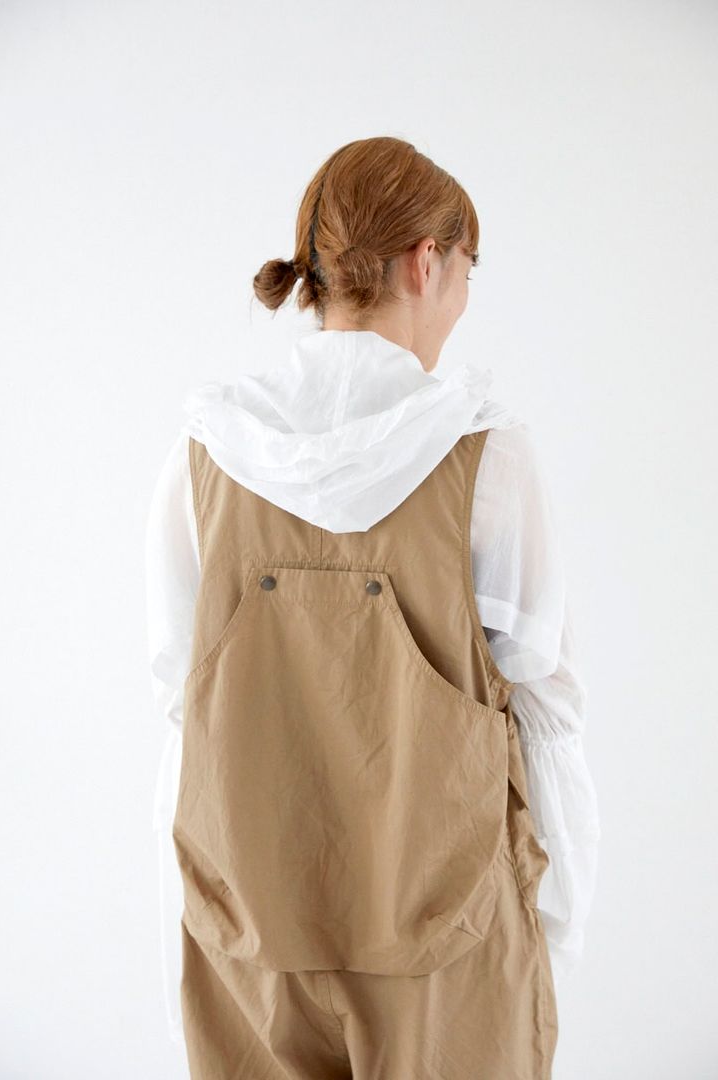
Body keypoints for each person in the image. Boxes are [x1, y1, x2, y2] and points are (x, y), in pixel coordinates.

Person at [144, 135, 601, 1079]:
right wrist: (559, 919)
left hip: (249, 939)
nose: (464, 298)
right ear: (427, 261)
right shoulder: (487, 459)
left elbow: (184, 709)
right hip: (451, 937)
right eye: (468, 268)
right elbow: (547, 710)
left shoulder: (204, 458)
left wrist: (191, 910)